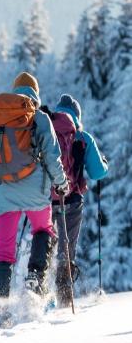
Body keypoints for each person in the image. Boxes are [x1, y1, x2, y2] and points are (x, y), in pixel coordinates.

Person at [0, 72, 68, 327]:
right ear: (36, 93)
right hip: (34, 190)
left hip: (2, 192)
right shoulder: (39, 117)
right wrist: (61, 184)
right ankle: (35, 276)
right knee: (44, 229)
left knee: (4, 251)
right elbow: (52, 156)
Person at [47, 94, 108, 307]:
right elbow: (98, 173)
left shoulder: (47, 131)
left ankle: (39, 296)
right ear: (77, 116)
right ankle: (64, 301)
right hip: (71, 201)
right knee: (66, 249)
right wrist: (104, 163)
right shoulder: (82, 137)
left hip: (44, 202)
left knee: (43, 246)